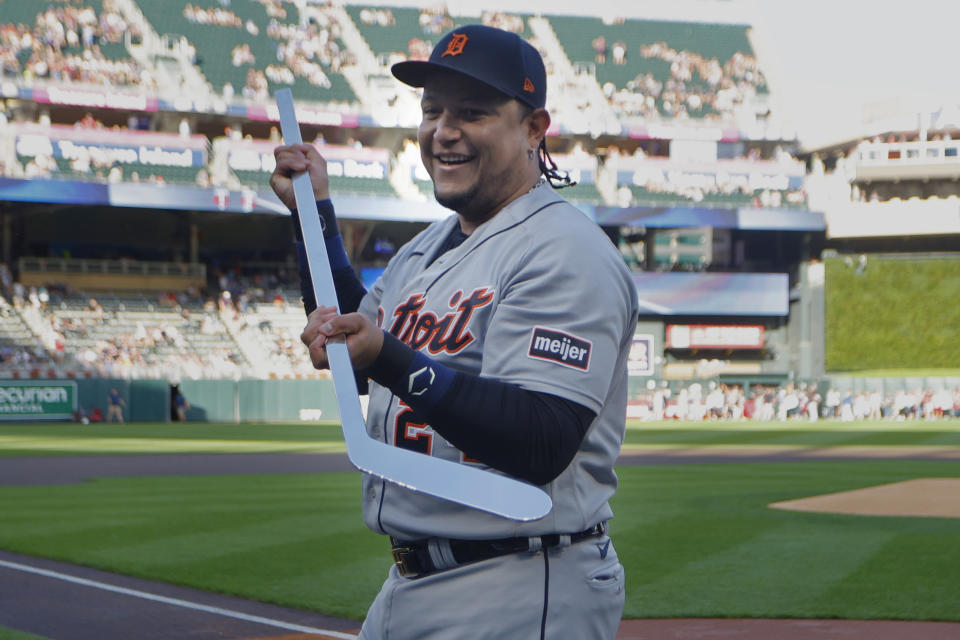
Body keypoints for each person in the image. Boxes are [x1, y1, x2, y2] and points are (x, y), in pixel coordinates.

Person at [270, 24, 639, 640]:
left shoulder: (563, 250)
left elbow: (541, 440)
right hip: (413, 582)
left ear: (533, 128)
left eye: (472, 112)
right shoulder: (425, 251)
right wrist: (315, 217)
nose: (443, 130)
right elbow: (359, 347)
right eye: (432, 110)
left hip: (521, 582)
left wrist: (386, 354)